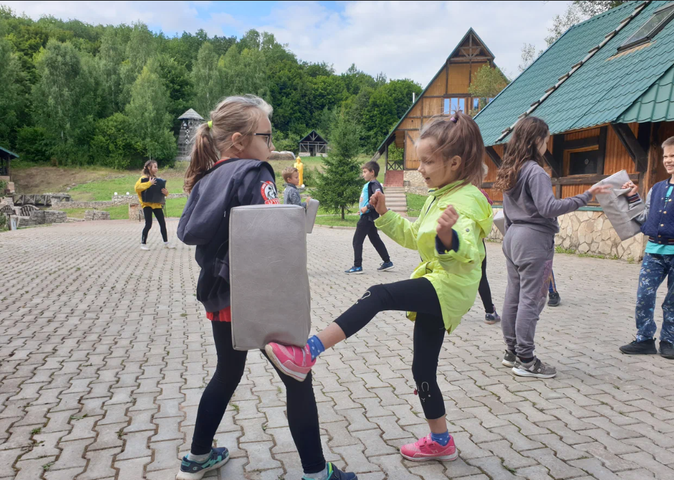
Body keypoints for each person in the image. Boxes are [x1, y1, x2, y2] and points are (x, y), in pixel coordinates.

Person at [266, 113, 493, 462]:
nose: (421, 169)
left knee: (379, 293)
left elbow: (469, 248)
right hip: (439, 284)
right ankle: (441, 440)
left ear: (455, 162)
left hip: (449, 285)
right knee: (423, 369)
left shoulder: (466, 199)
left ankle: (308, 352)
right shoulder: (441, 192)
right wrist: (385, 213)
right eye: (420, 161)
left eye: (428, 161)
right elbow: (417, 238)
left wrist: (450, 239)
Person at [175, 95, 356, 480]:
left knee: (227, 372)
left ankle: (197, 457)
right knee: (297, 374)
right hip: (258, 292)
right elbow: (272, 236)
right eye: (267, 137)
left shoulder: (207, 177)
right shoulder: (254, 171)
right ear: (240, 140)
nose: (272, 147)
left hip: (219, 294)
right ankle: (315, 472)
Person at [494, 116, 610, 379]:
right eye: (546, 140)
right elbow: (548, 208)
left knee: (514, 295)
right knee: (532, 299)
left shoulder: (512, 168)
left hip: (512, 237)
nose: (547, 145)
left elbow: (508, 211)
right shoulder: (535, 171)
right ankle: (526, 359)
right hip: (534, 240)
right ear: (537, 140)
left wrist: (512, 234)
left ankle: (511, 351)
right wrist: (586, 196)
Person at [619, 136, 674, 360]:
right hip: (654, 251)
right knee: (644, 296)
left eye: (673, 156)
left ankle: (669, 340)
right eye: (666, 156)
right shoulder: (656, 188)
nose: (668, 160)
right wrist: (632, 197)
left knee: (672, 301)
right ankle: (644, 339)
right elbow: (644, 217)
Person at [345, 161, 394, 274]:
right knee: (375, 239)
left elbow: (377, 199)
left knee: (357, 241)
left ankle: (357, 266)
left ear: (372, 172)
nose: (363, 174)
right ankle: (387, 261)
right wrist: (362, 209)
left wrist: (366, 208)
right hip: (369, 216)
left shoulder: (374, 184)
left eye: (365, 172)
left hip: (367, 218)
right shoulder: (371, 184)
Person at [135, 160, 172, 250]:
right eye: (154, 167)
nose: (156, 168)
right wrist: (149, 183)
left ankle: (166, 243)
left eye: (157, 167)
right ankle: (143, 244)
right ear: (149, 168)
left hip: (157, 204)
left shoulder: (158, 180)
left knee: (162, 223)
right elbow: (137, 188)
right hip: (147, 204)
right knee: (148, 224)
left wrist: (166, 193)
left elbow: (162, 192)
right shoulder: (143, 178)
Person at [477, 188, 501, 324]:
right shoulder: (479, 193)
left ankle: (446, 313)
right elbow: (489, 205)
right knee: (481, 276)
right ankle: (490, 312)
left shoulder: (451, 191)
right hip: (476, 241)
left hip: (453, 240)